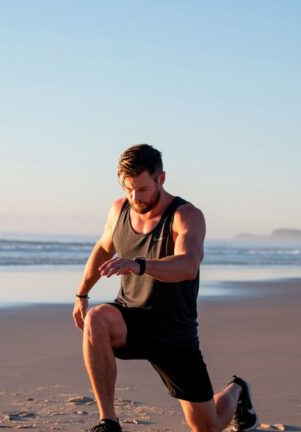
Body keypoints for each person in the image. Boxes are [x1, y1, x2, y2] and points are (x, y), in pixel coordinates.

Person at [72, 144, 257, 432]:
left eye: (143, 189)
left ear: (161, 179)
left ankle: (237, 390)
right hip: (130, 318)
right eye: (129, 188)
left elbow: (188, 265)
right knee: (97, 318)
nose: (135, 197)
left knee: (207, 426)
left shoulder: (186, 215)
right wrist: (82, 294)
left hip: (173, 331)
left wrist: (140, 265)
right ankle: (108, 422)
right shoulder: (119, 209)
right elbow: (103, 247)